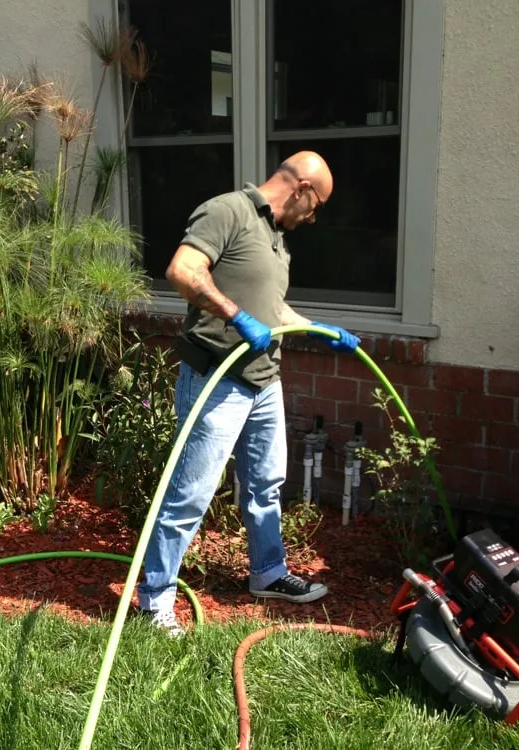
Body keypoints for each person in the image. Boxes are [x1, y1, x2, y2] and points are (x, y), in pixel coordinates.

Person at [135, 151, 361, 636]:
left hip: (264, 382)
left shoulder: (276, 239)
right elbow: (183, 271)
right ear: (301, 188)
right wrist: (236, 316)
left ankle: (268, 573)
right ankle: (153, 601)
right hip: (217, 379)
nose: (314, 216)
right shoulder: (227, 212)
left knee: (265, 484)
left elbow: (272, 310)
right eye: (317, 204)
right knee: (189, 494)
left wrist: (318, 328)